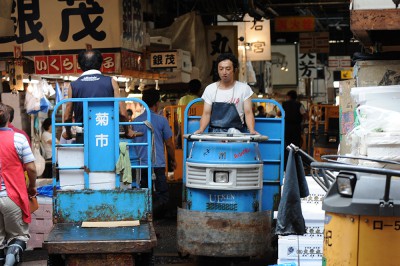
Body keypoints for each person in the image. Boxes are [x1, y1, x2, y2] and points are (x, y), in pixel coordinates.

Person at [63, 49, 136, 142]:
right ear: (101, 64)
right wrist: (127, 130)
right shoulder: (111, 82)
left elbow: (67, 116)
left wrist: (68, 133)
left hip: (83, 136)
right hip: (108, 135)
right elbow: (122, 112)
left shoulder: (73, 85)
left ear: (79, 65)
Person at [0, 103, 37, 265]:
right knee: (18, 236)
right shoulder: (18, 138)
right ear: (9, 118)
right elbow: (31, 168)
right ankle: (12, 257)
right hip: (12, 196)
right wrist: (32, 186)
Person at [133, 88, 177, 215]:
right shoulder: (162, 120)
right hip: (157, 164)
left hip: (141, 165)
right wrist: (173, 160)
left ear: (143, 102)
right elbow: (169, 144)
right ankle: (154, 218)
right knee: (162, 195)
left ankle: (146, 214)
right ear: (157, 103)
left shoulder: (135, 121)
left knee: (144, 192)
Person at [194, 53, 258, 134]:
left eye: (228, 69)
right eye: (221, 69)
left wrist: (252, 130)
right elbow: (206, 114)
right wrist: (201, 129)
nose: (224, 72)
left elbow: (248, 113)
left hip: (237, 133)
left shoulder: (244, 89)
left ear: (235, 70)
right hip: (214, 133)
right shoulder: (210, 89)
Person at [282, 90, 307, 167]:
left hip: (286, 128)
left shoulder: (284, 104)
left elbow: (280, 114)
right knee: (295, 145)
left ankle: (286, 163)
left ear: (289, 96)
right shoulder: (300, 105)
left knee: (286, 145)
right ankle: (296, 162)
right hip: (296, 128)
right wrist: (302, 121)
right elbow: (305, 115)